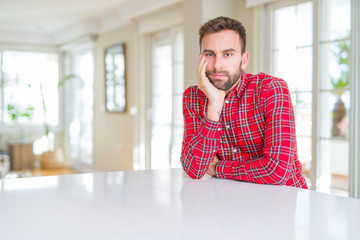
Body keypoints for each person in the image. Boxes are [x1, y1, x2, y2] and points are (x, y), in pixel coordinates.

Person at [180, 16, 308, 189]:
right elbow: (194, 169)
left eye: (228, 54)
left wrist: (218, 167)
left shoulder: (271, 90)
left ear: (244, 60)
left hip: (282, 203)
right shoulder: (193, 97)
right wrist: (215, 106)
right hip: (230, 203)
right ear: (201, 58)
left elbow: (277, 171)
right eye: (210, 54)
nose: (218, 65)